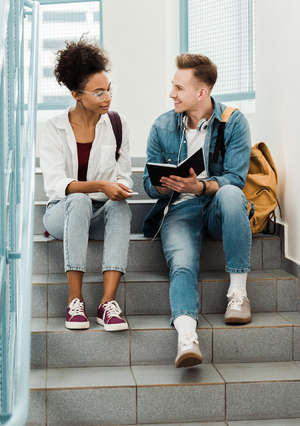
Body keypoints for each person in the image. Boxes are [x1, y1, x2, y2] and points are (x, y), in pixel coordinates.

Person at [143, 53, 252, 368]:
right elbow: (151, 187)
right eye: (173, 86)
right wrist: (165, 185)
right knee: (183, 264)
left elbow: (235, 178)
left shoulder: (233, 121)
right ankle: (187, 336)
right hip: (179, 208)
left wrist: (201, 187)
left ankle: (238, 295)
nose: (171, 94)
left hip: (217, 206)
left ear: (201, 93)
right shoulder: (162, 125)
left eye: (178, 88)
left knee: (232, 194)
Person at [40, 37, 133, 331]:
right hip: (61, 213)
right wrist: (99, 186)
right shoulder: (53, 128)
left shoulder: (118, 124)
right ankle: (74, 301)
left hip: (99, 212)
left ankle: (107, 303)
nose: (107, 97)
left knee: (120, 208)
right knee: (79, 199)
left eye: (109, 89)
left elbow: (124, 176)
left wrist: (117, 189)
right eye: (98, 92)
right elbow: (56, 184)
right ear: (76, 95)